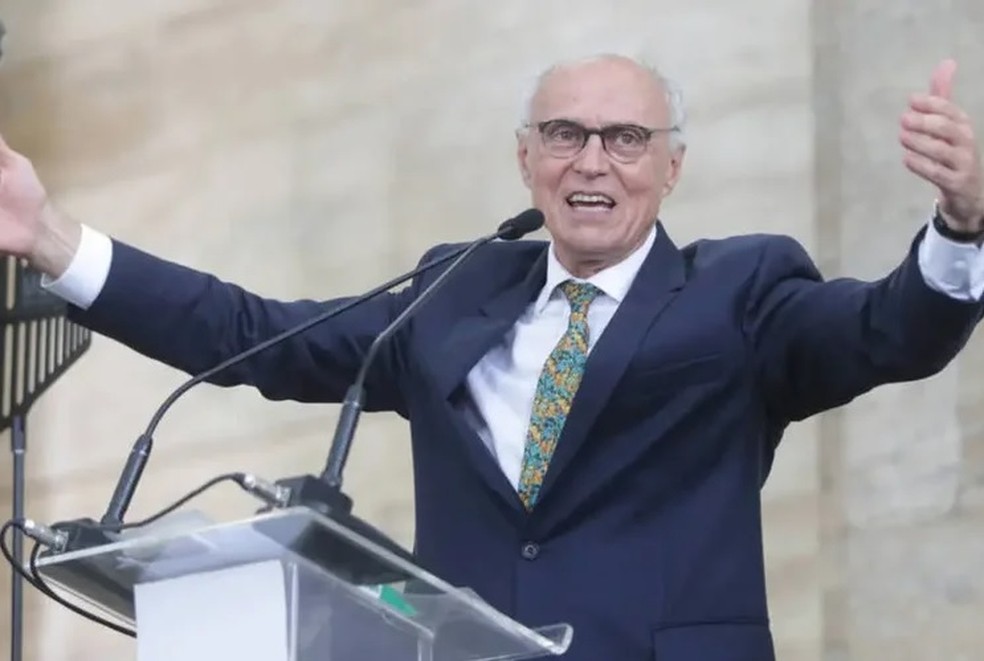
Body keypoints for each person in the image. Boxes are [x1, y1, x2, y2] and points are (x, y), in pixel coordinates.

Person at [1, 53, 982, 660]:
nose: (591, 160)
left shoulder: (742, 289)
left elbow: (883, 331)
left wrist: (959, 224)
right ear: (527, 158)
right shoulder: (453, 290)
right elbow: (257, 335)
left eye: (625, 138)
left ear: (671, 166)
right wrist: (55, 239)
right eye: (564, 134)